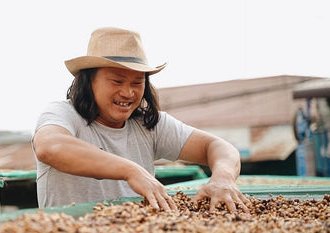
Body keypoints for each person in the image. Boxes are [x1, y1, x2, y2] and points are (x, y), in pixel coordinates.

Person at [33, 27, 250, 214]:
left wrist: (223, 178)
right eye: (117, 81)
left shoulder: (149, 125)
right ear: (89, 81)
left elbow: (219, 147)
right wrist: (131, 170)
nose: (128, 93)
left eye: (137, 82)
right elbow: (50, 146)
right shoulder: (64, 114)